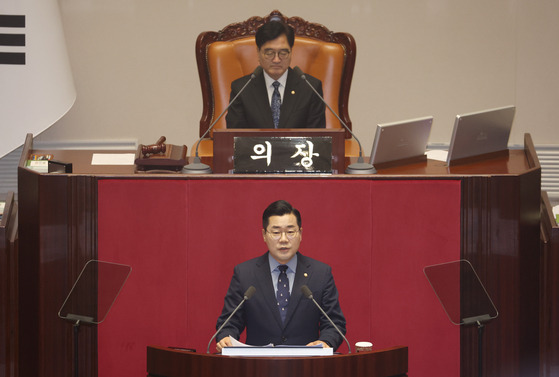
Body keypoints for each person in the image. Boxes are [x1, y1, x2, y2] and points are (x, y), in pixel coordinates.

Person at [214, 200, 346, 352]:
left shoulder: (320, 273)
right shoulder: (244, 273)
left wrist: (325, 341)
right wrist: (225, 337)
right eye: (276, 232)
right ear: (264, 235)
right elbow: (229, 322)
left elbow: (334, 323)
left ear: (301, 234)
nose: (283, 239)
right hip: (257, 366)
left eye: (290, 232)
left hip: (308, 365)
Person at [225, 21, 326, 129]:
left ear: (291, 53)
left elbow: (317, 139)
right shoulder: (241, 89)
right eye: (269, 53)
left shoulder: (310, 88)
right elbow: (235, 138)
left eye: (283, 53)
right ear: (258, 53)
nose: (276, 60)